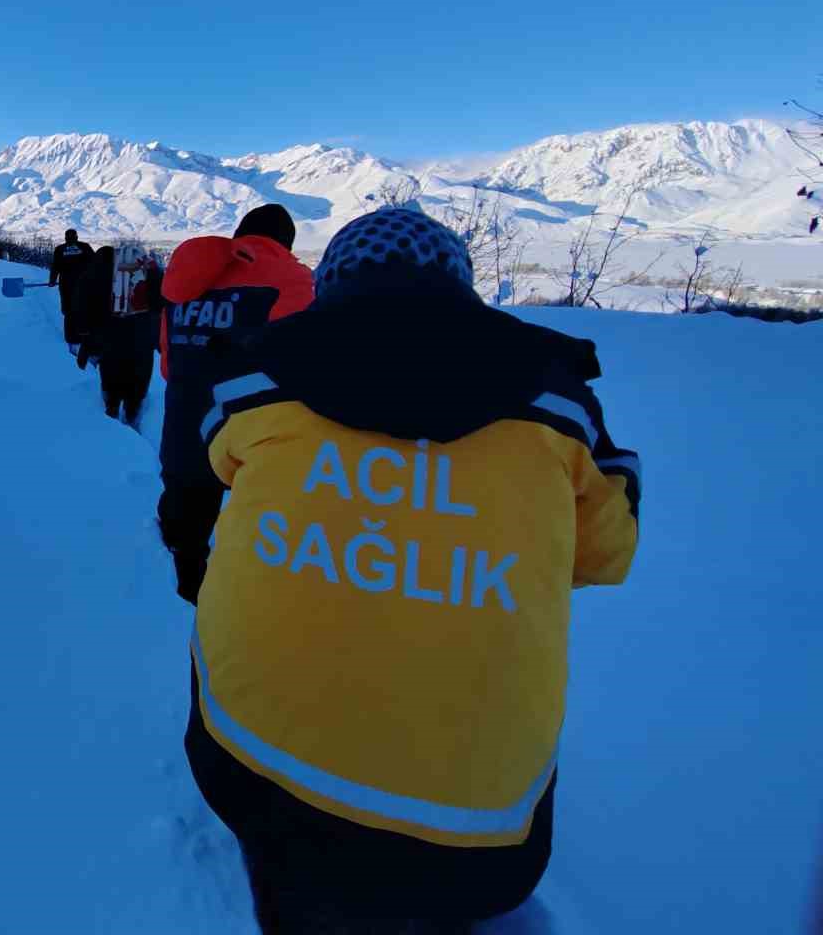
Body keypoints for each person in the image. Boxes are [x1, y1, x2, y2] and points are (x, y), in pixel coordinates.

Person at [185, 206, 640, 931]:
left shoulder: (258, 379)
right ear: (460, 286)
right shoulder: (558, 407)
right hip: (481, 838)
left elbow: (223, 463)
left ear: (331, 284)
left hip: (254, 773)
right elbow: (606, 553)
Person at [156, 203, 313, 603]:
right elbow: (306, 368)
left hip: (185, 431)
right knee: (254, 543)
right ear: (286, 242)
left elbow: (168, 366)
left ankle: (183, 599)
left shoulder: (184, 279)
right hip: (258, 438)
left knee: (183, 542)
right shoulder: (293, 280)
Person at [78, 252, 163, 425]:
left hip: (116, 343)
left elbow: (91, 319)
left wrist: (87, 344)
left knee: (113, 383)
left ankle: (116, 415)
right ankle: (129, 416)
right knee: (135, 384)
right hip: (139, 343)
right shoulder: (151, 305)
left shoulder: (104, 292)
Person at [47, 228, 94, 348]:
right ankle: (83, 335)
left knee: (68, 311)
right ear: (76, 237)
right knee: (83, 309)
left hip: (66, 285)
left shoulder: (60, 249)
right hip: (83, 285)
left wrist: (52, 280)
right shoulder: (85, 247)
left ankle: (70, 337)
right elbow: (94, 263)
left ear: (65, 238)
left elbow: (55, 266)